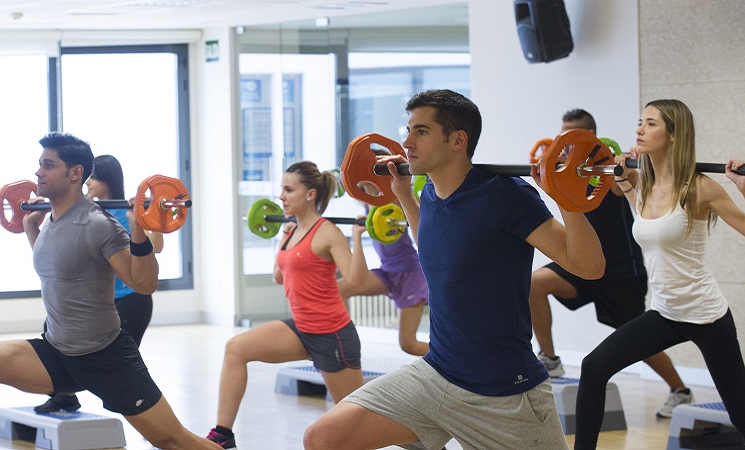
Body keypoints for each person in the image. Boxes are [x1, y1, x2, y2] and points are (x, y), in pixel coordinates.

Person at [303, 89, 605, 450]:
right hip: (437, 374)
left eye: (421, 132)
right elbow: (435, 248)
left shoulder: (506, 195)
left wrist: (568, 200)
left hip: (504, 393)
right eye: (409, 129)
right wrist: (402, 194)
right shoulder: (430, 191)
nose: (406, 142)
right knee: (322, 438)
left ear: (458, 140)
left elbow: (590, 267)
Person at [0, 132, 220, 450]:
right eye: (39, 164)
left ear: (75, 173)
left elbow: (144, 284)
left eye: (48, 165)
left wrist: (138, 229)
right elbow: (57, 268)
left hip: (105, 357)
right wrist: (30, 229)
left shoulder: (98, 224)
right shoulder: (50, 221)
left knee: (174, 441)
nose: (38, 172)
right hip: (57, 352)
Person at [573, 99, 745, 449]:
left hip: (706, 314)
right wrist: (618, 174)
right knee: (593, 368)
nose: (640, 129)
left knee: (741, 414)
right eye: (640, 121)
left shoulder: (699, 188)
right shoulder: (639, 182)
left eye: (651, 123)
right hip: (666, 313)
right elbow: (610, 184)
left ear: (673, 134)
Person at [529, 108, 693, 417]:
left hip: (621, 271)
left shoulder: (610, 167)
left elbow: (622, 183)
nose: (564, 143)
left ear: (588, 137)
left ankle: (679, 390)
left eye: (571, 136)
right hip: (584, 264)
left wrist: (623, 167)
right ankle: (549, 358)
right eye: (561, 136)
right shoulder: (565, 167)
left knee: (634, 337)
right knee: (533, 285)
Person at [205, 161, 370, 449]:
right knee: (236, 349)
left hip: (332, 335)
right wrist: (283, 241)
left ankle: (419, 440)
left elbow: (357, 283)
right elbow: (279, 277)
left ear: (310, 195)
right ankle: (223, 436)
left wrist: (356, 237)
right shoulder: (293, 229)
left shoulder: (327, 232)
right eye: (281, 189)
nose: (281, 196)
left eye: (288, 189)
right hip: (302, 329)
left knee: (360, 420)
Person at [34, 154, 165, 414]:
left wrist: (149, 218)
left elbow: (156, 246)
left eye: (94, 178)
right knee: (51, 331)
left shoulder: (123, 212)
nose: (88, 183)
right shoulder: (80, 212)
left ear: (109, 181)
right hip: (94, 300)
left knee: (121, 367)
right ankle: (64, 395)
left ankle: (150, 413)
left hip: (129, 299)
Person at [338, 182, 430, 357]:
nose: (360, 184)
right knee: (339, 289)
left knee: (408, 344)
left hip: (409, 274)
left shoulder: (395, 198)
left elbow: (418, 212)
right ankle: (343, 342)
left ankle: (456, 358)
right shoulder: (367, 200)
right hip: (387, 271)